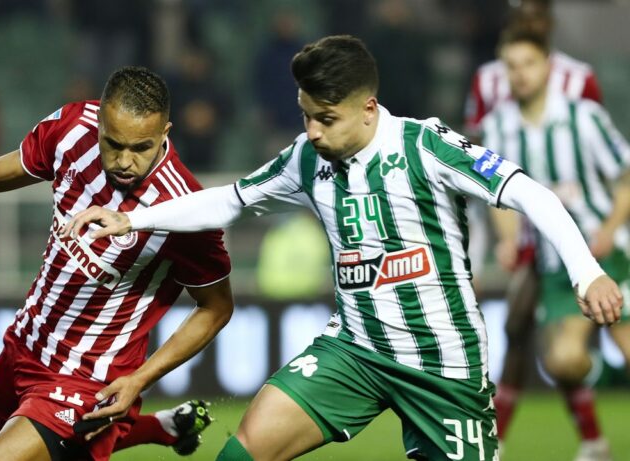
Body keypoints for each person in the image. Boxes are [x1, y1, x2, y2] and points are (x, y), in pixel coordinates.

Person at [63, 35, 624, 461]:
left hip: (442, 364)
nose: (312, 131)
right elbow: (229, 201)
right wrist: (131, 218)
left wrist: (587, 272)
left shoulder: (425, 146)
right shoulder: (306, 157)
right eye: (306, 114)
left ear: (368, 109)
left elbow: (530, 193)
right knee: (248, 447)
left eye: (326, 119)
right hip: (354, 351)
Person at [0, 66, 235, 461]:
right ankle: (164, 427)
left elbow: (216, 307)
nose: (125, 161)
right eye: (113, 144)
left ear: (165, 133)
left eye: (141, 148)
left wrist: (140, 379)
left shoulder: (184, 209)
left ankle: (147, 425)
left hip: (87, 379)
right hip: (24, 344)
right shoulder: (72, 130)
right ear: (99, 125)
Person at [463, 2, 605, 451]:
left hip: (583, 230)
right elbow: (475, 164)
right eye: (521, 10)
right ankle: (576, 440)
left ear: (548, 22)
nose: (529, 18)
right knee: (519, 330)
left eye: (536, 12)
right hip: (524, 231)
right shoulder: (488, 81)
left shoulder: (578, 79)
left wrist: (603, 227)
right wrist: (486, 243)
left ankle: (513, 437)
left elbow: (595, 152)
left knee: (529, 332)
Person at [483, 27, 630, 461]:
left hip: (611, 255)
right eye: (512, 66)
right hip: (555, 267)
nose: (521, 74)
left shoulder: (583, 117)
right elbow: (496, 197)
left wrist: (610, 228)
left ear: (547, 66)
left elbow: (624, 177)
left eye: (529, 64)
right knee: (562, 361)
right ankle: (595, 439)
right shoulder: (498, 127)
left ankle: (593, 439)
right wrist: (507, 240)